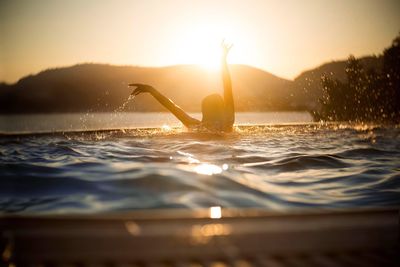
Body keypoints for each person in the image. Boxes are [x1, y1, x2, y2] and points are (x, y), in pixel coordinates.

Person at [129, 42, 234, 132]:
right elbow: (227, 86)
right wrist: (223, 60)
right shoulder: (228, 122)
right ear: (223, 110)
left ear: (204, 112)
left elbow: (172, 107)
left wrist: (151, 90)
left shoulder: (196, 126)